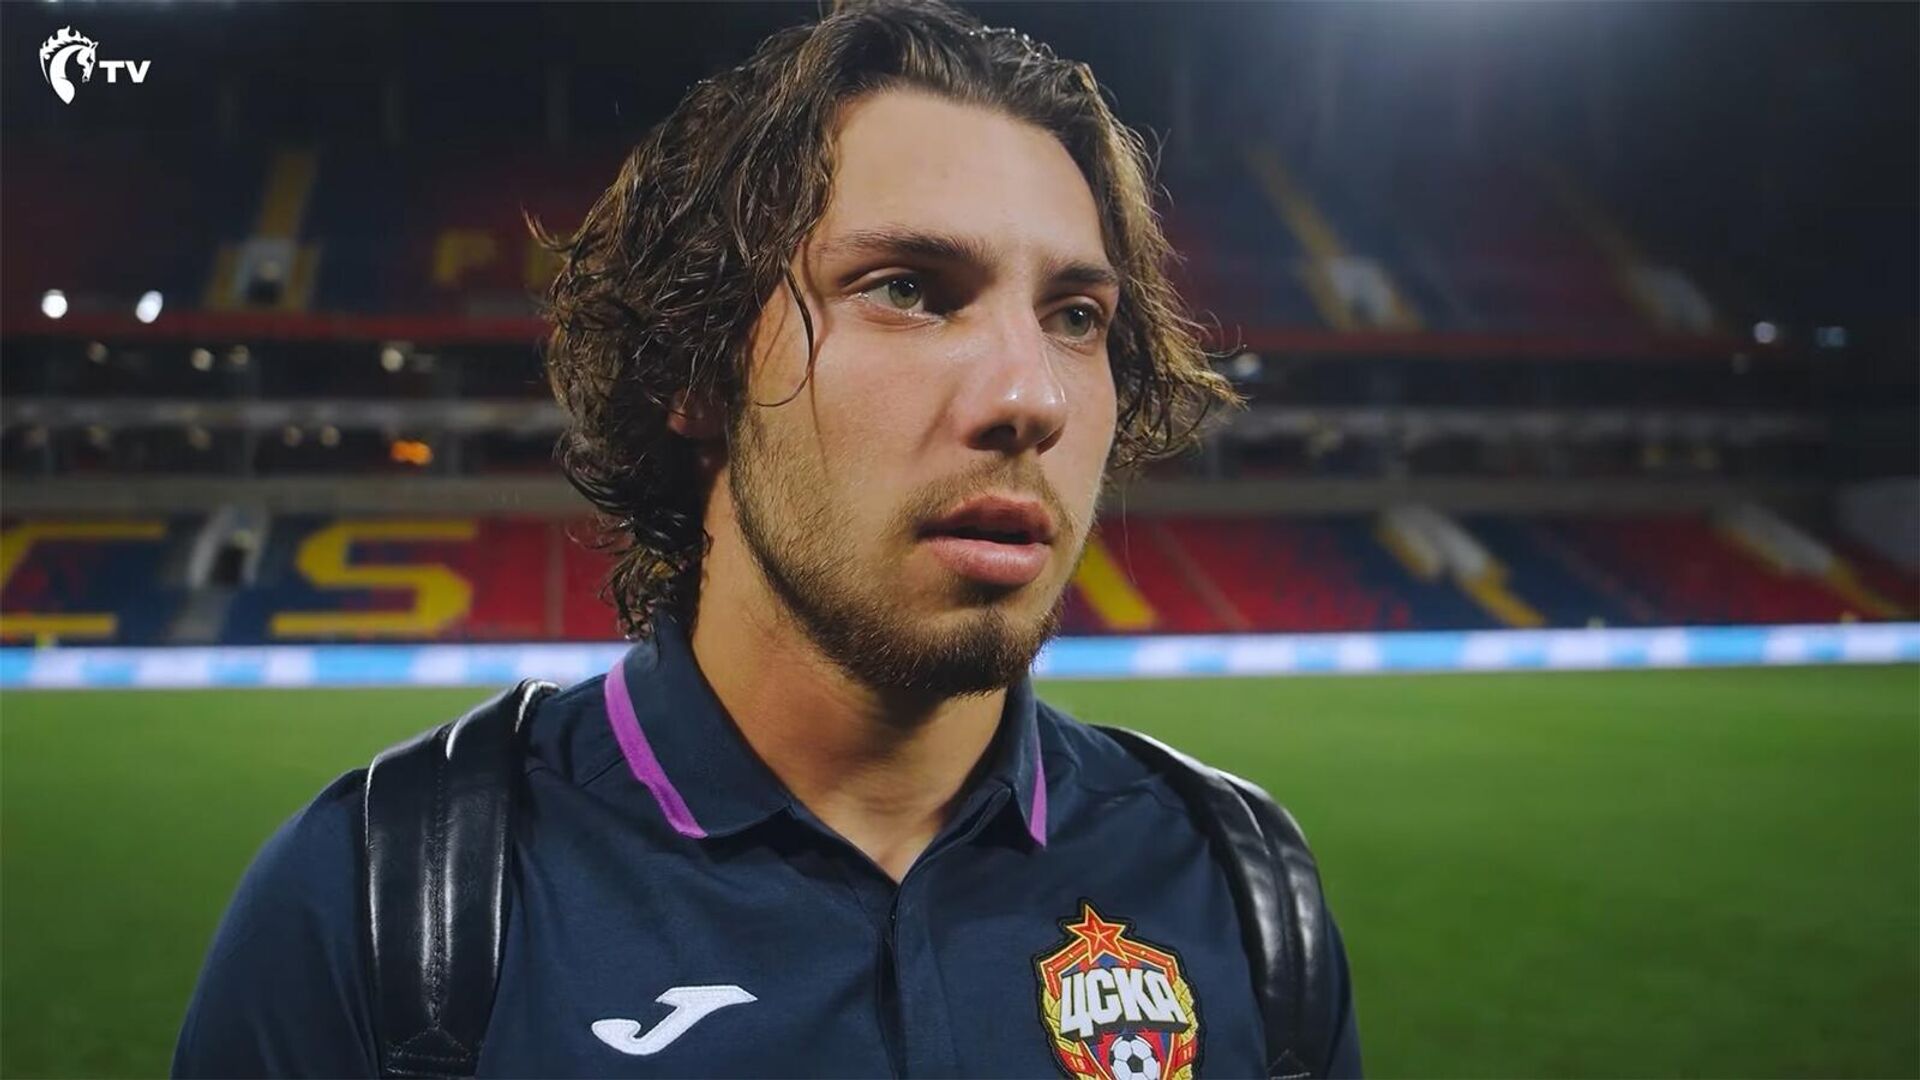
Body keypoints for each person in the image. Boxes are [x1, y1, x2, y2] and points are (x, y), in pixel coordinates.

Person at [174, 1, 1362, 1075]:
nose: (1032, 396)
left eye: (1077, 315)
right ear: (695, 369)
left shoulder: (1246, 890)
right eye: (908, 288)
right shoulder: (384, 904)